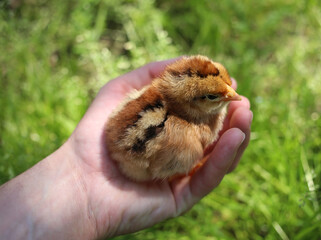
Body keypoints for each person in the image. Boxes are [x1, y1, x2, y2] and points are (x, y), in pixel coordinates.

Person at [0, 58, 252, 239]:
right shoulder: (189, 129)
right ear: (193, 103)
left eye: (225, 87)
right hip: (137, 164)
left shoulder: (159, 92)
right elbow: (156, 151)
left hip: (123, 144)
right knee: (188, 149)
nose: (230, 94)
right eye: (213, 96)